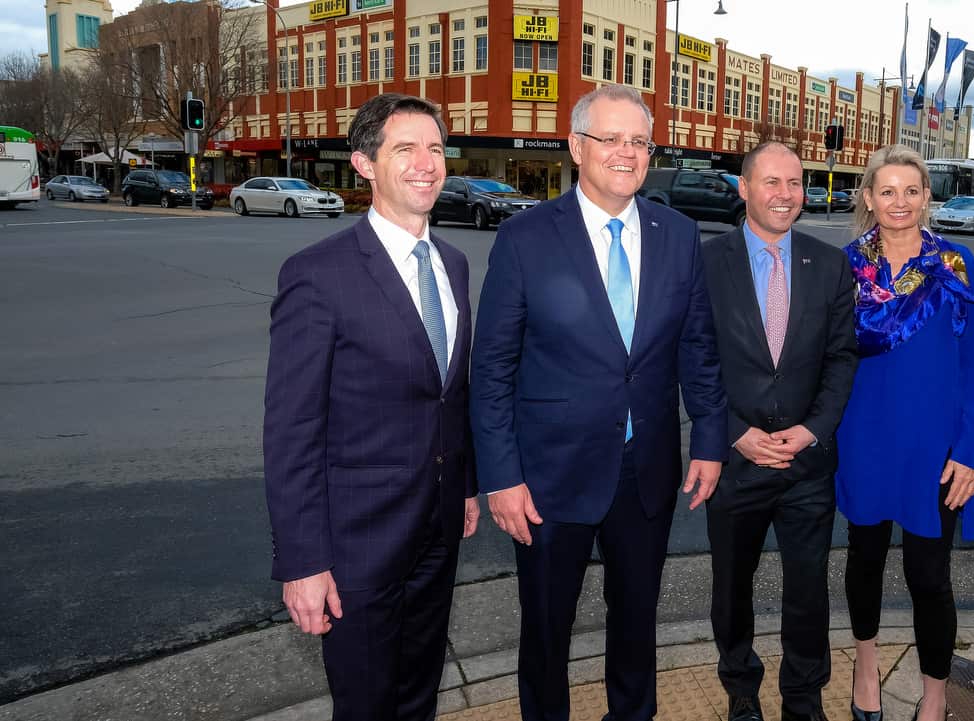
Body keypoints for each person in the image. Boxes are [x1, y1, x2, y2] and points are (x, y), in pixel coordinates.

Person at [469, 84, 727, 721]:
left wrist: (712, 443)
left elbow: (698, 348)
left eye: (638, 141)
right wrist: (500, 477)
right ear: (577, 147)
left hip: (648, 473)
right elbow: (493, 368)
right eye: (610, 139)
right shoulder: (526, 237)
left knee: (637, 622)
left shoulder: (678, 234)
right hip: (550, 476)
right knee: (546, 629)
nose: (626, 153)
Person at [263, 93, 481, 721]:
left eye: (436, 148)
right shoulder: (318, 274)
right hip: (357, 544)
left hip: (437, 529)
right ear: (364, 163)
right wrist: (304, 561)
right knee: (365, 704)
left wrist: (463, 483)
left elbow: (450, 392)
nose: (426, 163)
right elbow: (292, 431)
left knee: (418, 693)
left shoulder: (455, 264)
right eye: (404, 148)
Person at [835, 145, 974, 721]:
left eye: (911, 191)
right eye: (887, 191)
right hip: (864, 438)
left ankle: (934, 698)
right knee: (865, 559)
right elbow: (830, 359)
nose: (898, 202)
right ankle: (864, 664)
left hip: (936, 448)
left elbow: (973, 363)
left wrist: (971, 451)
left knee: (929, 576)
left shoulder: (954, 264)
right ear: (868, 198)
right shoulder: (848, 266)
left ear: (927, 197)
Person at [702, 142, 857, 721]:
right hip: (735, 462)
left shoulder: (830, 264)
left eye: (794, 183)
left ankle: (803, 695)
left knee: (809, 588)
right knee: (731, 586)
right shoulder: (706, 263)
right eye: (771, 182)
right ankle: (740, 686)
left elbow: (842, 358)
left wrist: (813, 430)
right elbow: (692, 358)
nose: (785, 195)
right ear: (743, 188)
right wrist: (732, 431)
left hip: (806, 467)